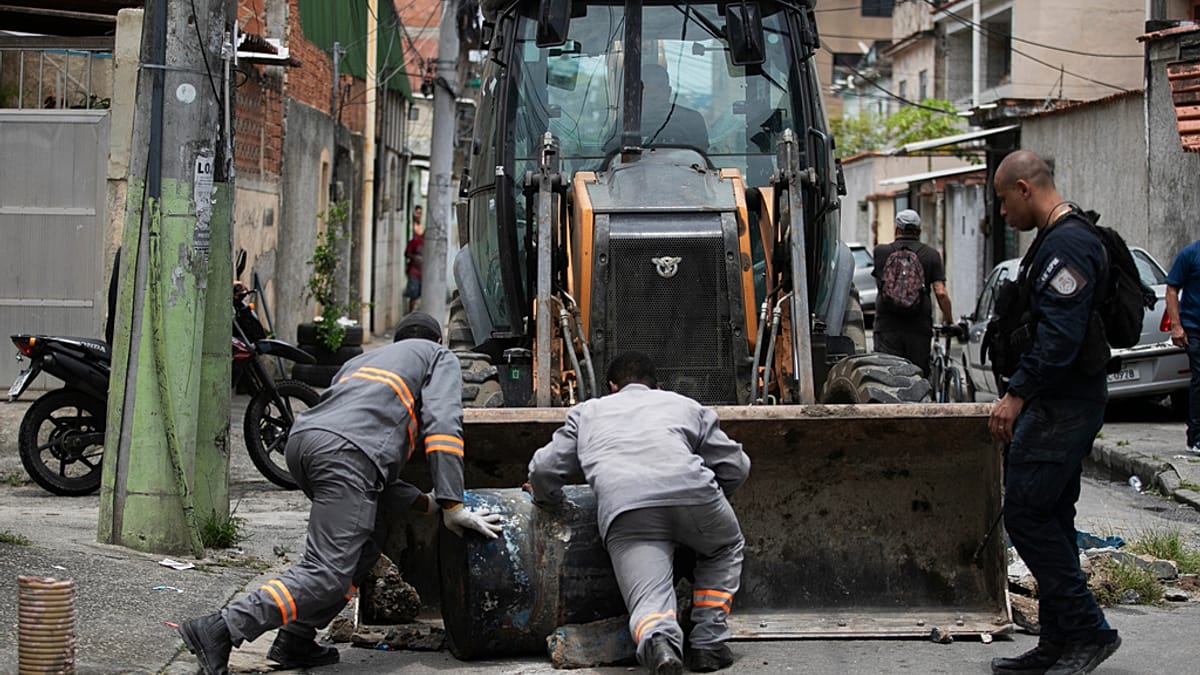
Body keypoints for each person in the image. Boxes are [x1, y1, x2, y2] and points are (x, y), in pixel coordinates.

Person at [176, 312, 504, 675]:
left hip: (305, 445)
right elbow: (443, 424)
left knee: (364, 548)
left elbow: (372, 477)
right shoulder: (438, 356)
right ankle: (221, 628)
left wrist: (427, 503)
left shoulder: (366, 360)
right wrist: (452, 503)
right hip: (345, 454)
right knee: (327, 571)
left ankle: (297, 639)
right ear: (437, 341)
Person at [526, 351, 750, 674]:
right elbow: (737, 466)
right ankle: (708, 642)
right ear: (655, 386)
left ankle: (659, 642)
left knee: (648, 597)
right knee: (725, 546)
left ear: (611, 387)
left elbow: (545, 469)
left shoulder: (587, 412)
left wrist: (547, 500)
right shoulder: (684, 405)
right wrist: (713, 502)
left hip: (626, 508)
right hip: (693, 493)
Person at [987, 150, 1120, 675]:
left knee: (1026, 513)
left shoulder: (1068, 245)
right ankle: (1058, 642)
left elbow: (1060, 338)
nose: (1002, 214)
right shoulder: (1058, 239)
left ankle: (1089, 630)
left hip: (1062, 402)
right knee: (1053, 518)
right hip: (1060, 400)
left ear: (1024, 188)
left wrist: (1016, 395)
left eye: (1002, 201)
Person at [871, 209, 954, 375]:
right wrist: (949, 320)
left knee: (887, 375)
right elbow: (941, 292)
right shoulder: (931, 255)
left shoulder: (881, 253)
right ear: (919, 231)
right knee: (917, 376)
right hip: (919, 327)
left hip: (887, 326)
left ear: (896, 229)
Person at [1165, 238, 1200, 454]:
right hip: (1195, 328)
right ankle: (1196, 436)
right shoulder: (1190, 254)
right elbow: (1171, 290)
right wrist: (1176, 326)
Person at [641, 64, 709, 151]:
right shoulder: (626, 123)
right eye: (646, 88)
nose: (653, 93)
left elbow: (701, 152)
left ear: (668, 91)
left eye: (658, 88)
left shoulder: (692, 120)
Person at [405, 206, 424, 312]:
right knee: (413, 295)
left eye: (420, 213)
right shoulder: (414, 241)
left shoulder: (423, 240)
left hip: (422, 272)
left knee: (420, 295)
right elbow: (407, 253)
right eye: (417, 213)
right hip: (414, 272)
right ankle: (411, 313)